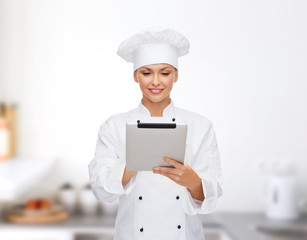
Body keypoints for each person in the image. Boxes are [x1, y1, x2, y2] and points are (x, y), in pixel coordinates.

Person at [88, 26, 223, 240]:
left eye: (165, 73)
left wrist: (192, 181)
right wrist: (132, 166)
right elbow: (100, 190)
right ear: (135, 76)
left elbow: (212, 195)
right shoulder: (113, 126)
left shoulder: (200, 126)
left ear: (176, 76)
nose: (156, 82)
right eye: (146, 73)